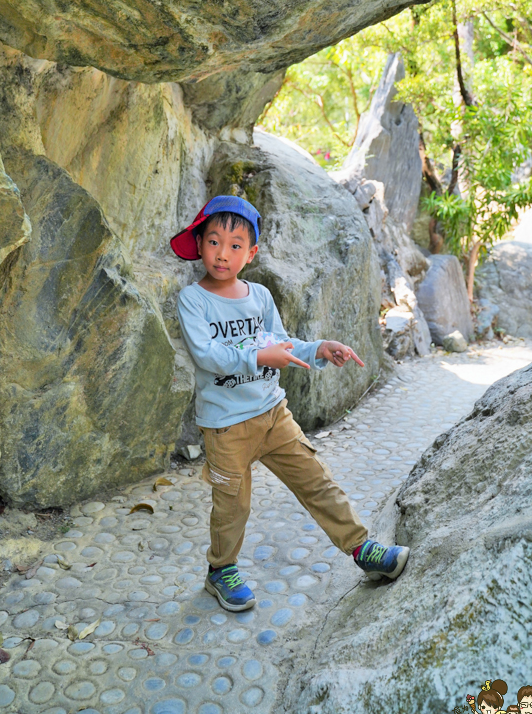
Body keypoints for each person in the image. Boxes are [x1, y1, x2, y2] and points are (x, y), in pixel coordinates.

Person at [171, 194, 410, 611]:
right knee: (232, 505)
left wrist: (318, 347)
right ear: (199, 243)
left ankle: (362, 548)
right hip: (226, 426)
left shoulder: (260, 297)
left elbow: (280, 343)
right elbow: (207, 354)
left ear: (251, 252)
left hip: (274, 416)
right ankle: (220, 570)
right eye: (213, 242)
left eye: (234, 245)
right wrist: (260, 356)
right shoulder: (194, 300)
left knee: (317, 481)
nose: (222, 254)